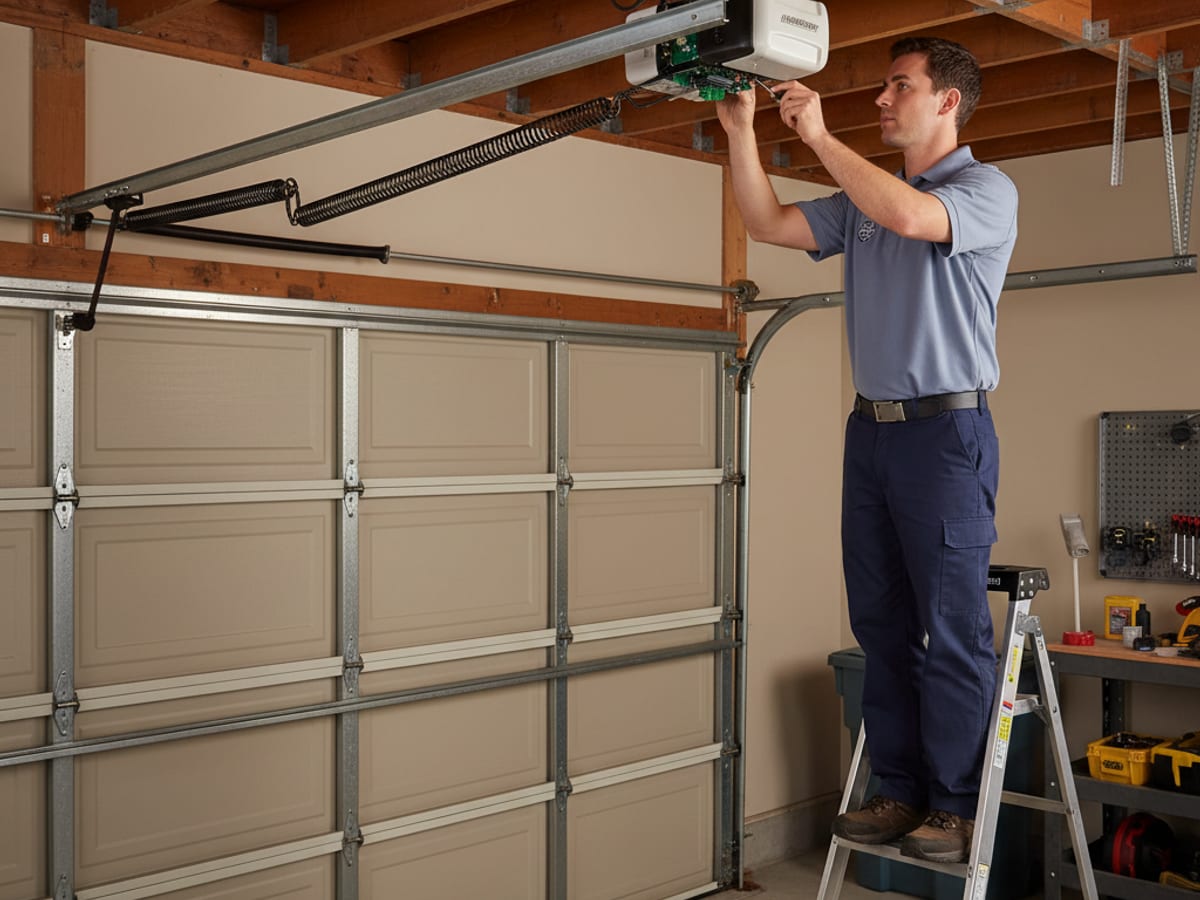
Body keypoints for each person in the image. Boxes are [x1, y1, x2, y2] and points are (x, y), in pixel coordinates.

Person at [716, 37, 1017, 863]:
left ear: (948, 101)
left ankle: (953, 808)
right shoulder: (864, 198)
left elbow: (912, 217)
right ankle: (899, 791)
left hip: (946, 435)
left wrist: (816, 138)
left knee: (951, 628)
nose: (882, 99)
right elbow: (764, 222)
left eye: (899, 86)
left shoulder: (984, 190)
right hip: (872, 433)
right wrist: (743, 131)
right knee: (881, 623)